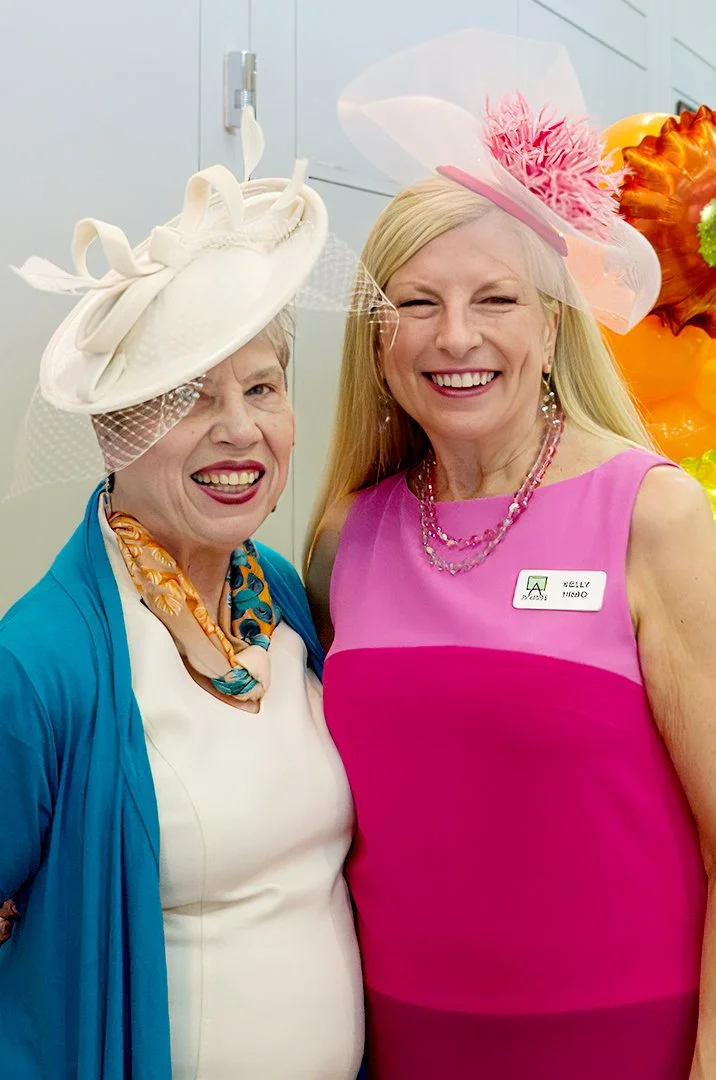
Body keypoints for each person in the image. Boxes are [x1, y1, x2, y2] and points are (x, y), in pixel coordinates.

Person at [306, 29, 716, 1080]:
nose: (455, 338)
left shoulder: (653, 517)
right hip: (401, 1038)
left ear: (550, 324)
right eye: (416, 304)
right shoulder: (344, 538)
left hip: (623, 1040)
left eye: (493, 299)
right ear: (376, 337)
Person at [0, 111, 367, 1080]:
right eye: (191, 399)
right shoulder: (41, 660)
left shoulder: (285, 599)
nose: (239, 432)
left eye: (263, 388)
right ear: (114, 431)